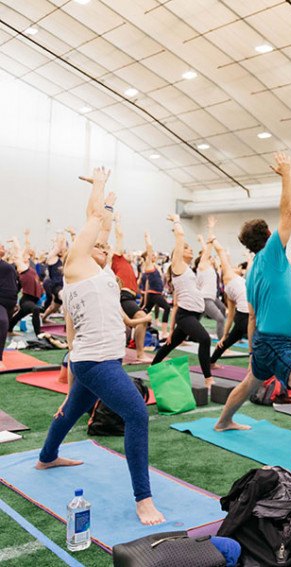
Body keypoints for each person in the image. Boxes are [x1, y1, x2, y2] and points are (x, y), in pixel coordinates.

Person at [35, 167, 164, 526]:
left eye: (106, 248)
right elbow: (92, 220)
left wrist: (107, 207)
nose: (105, 249)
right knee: (137, 413)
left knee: (74, 408)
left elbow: (101, 225)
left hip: (92, 360)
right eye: (99, 246)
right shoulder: (77, 266)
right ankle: (144, 500)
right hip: (96, 363)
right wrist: (99, 187)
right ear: (82, 247)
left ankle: (47, 456)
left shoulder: (100, 271)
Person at [213, 151, 291, 458]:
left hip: (266, 339)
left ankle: (224, 421)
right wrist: (287, 173)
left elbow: (251, 316)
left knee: (252, 381)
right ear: (268, 235)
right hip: (276, 341)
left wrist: (253, 348)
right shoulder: (272, 254)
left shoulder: (252, 272)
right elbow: (289, 212)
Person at [150, 214, 214, 387]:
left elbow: (176, 304)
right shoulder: (177, 265)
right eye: (186, 248)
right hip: (186, 316)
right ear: (178, 253)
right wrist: (177, 221)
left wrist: (171, 330)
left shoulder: (188, 270)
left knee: (171, 344)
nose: (190, 250)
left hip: (192, 314)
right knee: (205, 339)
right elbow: (180, 237)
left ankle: (153, 366)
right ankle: (208, 378)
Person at [111, 213, 152, 363]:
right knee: (141, 318)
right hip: (124, 296)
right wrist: (117, 221)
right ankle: (140, 354)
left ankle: (127, 352)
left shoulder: (128, 265)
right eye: (126, 252)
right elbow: (119, 236)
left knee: (128, 326)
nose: (128, 253)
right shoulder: (117, 258)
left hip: (130, 297)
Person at [209, 237, 250, 367]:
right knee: (258, 344)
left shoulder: (232, 286)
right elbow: (221, 251)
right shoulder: (229, 276)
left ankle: (211, 362)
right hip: (248, 316)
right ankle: (253, 369)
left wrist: (224, 335)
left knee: (229, 340)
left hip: (242, 316)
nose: (235, 267)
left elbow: (231, 316)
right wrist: (213, 239)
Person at [196, 216, 227, 339]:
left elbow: (206, 248)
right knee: (220, 318)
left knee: (222, 309)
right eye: (209, 257)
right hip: (205, 298)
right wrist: (211, 229)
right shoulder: (203, 265)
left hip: (212, 297)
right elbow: (208, 248)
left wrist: (201, 240)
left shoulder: (209, 267)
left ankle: (187, 334)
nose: (212, 258)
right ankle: (222, 345)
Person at [140, 232, 171, 331]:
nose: (154, 256)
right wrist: (147, 239)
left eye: (154, 255)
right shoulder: (148, 265)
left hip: (154, 293)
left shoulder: (155, 266)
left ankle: (133, 323)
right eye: (152, 255)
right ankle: (164, 331)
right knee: (167, 308)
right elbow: (149, 248)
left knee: (145, 311)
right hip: (154, 294)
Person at [0, 242, 19, 372]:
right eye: (0, 246)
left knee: (3, 326)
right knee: (2, 322)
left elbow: (16, 283)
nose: (3, 248)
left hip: (10, 303)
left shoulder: (8, 266)